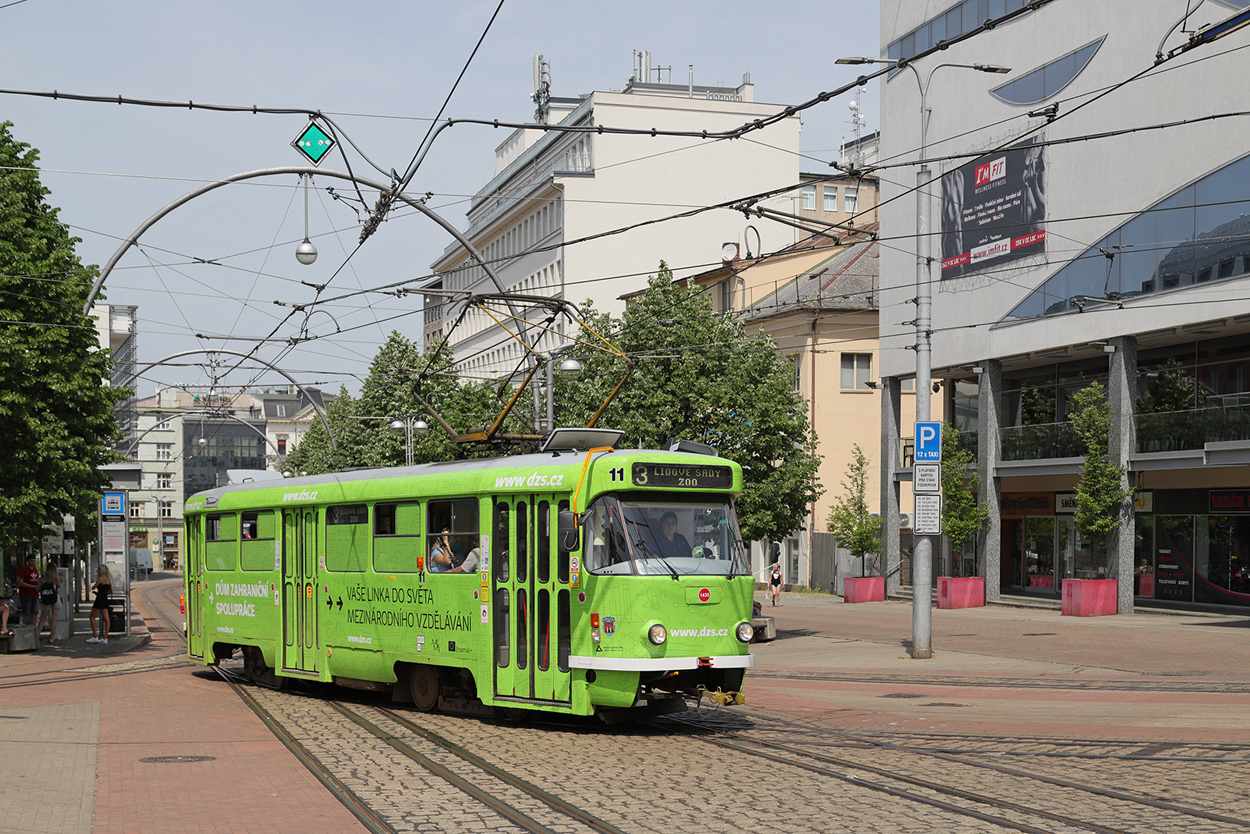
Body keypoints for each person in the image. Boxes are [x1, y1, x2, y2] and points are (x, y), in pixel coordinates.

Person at [88, 565, 113, 645]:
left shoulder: (101, 579)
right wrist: (105, 593)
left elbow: (93, 587)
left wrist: (99, 591)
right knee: (107, 619)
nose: (97, 571)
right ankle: (105, 637)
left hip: (99, 600)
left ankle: (95, 636)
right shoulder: (108, 580)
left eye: (98, 570)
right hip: (105, 599)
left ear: (101, 571)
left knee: (92, 617)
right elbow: (111, 591)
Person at [37, 563, 61, 638]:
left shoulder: (42, 579)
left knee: (43, 619)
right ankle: (51, 637)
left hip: (46, 599)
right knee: (54, 618)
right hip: (55, 598)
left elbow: (38, 589)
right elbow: (59, 586)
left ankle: (37, 636)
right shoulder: (56, 578)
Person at [17, 554, 40, 627]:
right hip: (26, 594)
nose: (33, 562)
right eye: (31, 561)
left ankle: (33, 628)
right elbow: (20, 582)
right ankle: (24, 627)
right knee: (26, 612)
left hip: (35, 594)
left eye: (34, 561)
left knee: (35, 612)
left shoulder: (35, 569)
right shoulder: (23, 569)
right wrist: (32, 586)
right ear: (28, 561)